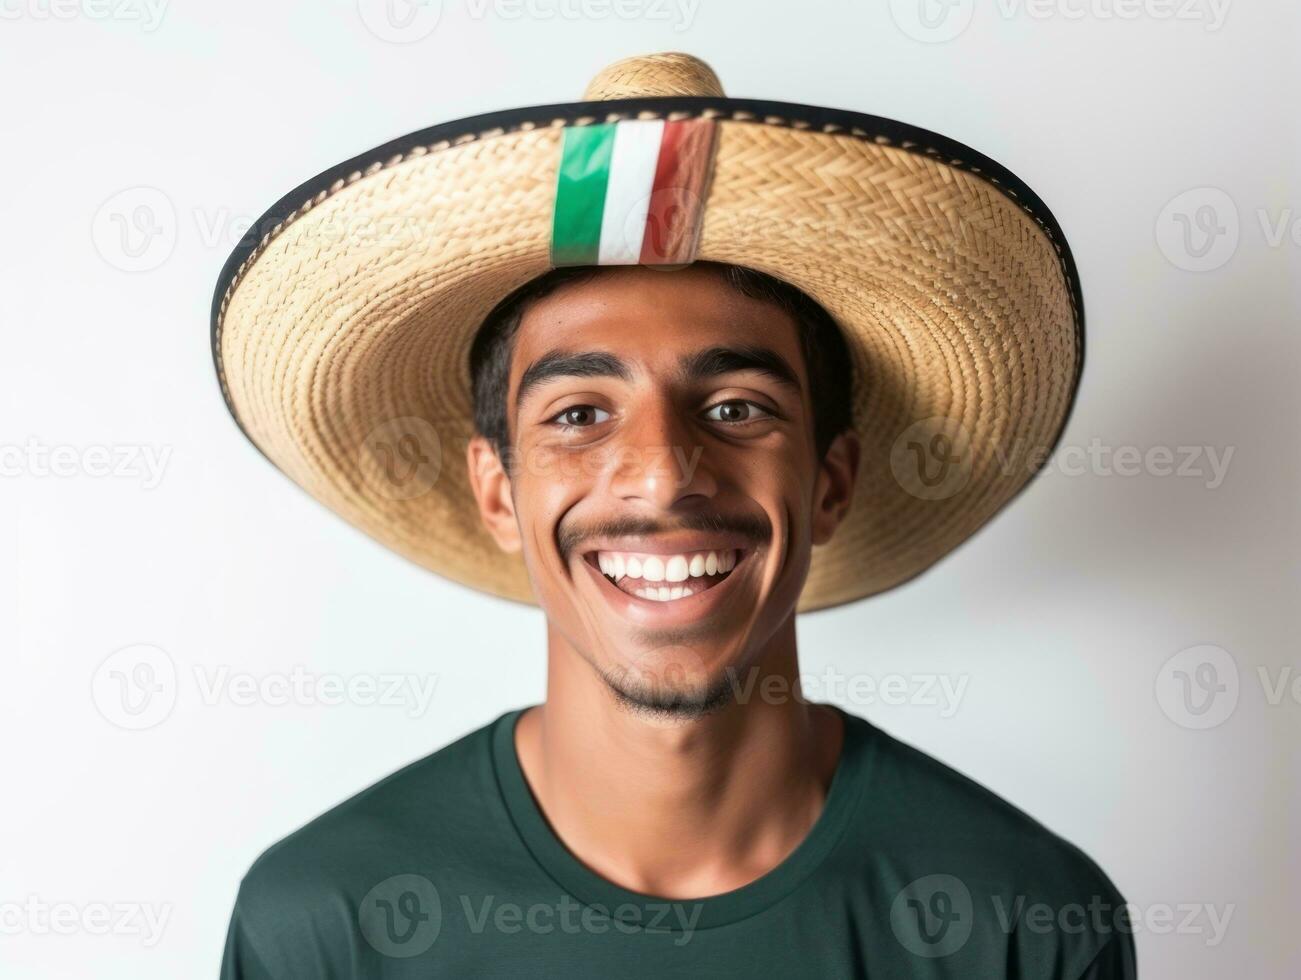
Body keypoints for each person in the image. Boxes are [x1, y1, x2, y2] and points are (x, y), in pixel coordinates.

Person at [214, 52, 1135, 978]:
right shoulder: (323, 924)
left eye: (737, 408)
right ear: (498, 492)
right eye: (578, 414)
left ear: (829, 485)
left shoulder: (1025, 922)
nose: (662, 479)